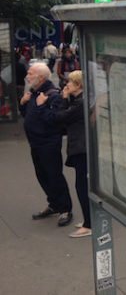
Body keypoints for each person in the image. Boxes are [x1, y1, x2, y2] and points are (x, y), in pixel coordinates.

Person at [19, 63, 73, 227]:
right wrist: (23, 103)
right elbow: (28, 115)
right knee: (42, 176)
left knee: (54, 175)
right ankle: (54, 204)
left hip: (49, 142)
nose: (27, 76)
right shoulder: (34, 93)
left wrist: (41, 105)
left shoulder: (53, 95)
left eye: (30, 73)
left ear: (40, 77)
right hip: (35, 143)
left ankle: (65, 208)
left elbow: (54, 120)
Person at [57, 70, 91, 238]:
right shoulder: (81, 100)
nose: (66, 85)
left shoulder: (79, 103)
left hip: (81, 148)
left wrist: (63, 98)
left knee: (82, 186)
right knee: (84, 185)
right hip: (83, 147)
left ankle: (89, 224)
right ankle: (89, 219)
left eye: (70, 82)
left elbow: (61, 117)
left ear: (78, 85)